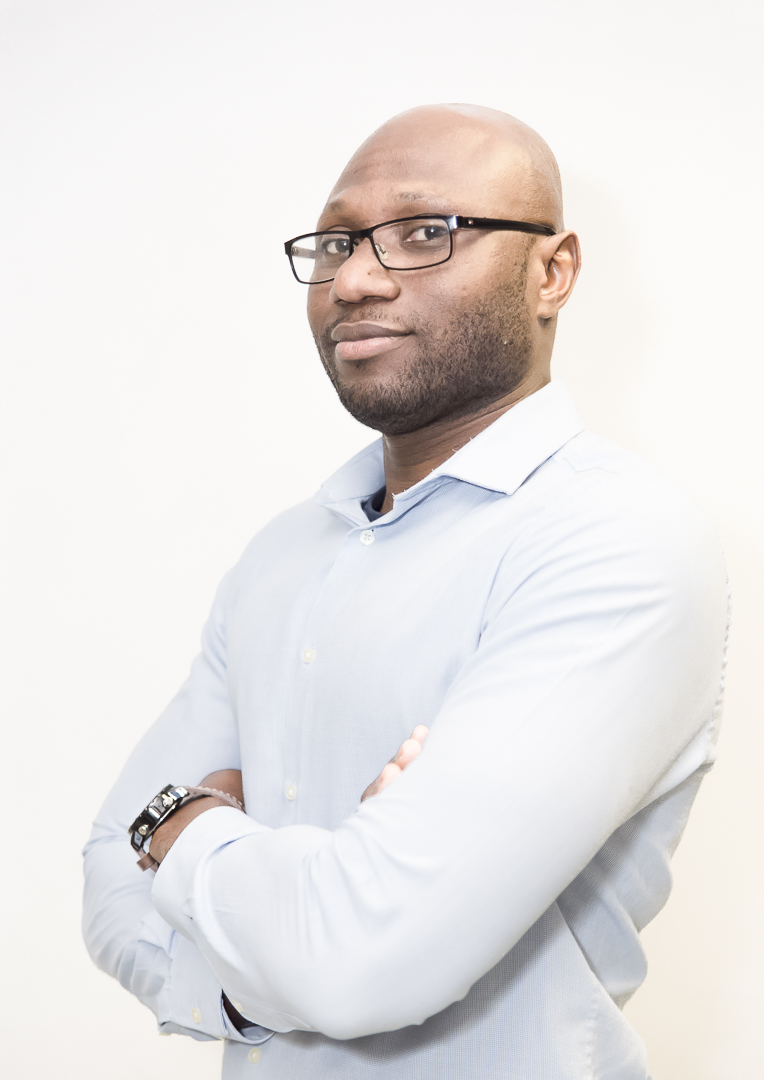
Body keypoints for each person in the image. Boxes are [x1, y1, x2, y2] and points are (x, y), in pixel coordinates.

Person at [83, 104, 729, 1079]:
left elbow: (358, 959)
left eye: (426, 232)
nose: (354, 279)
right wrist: (256, 980)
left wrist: (182, 826)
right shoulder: (283, 555)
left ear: (551, 272)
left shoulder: (613, 538)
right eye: (337, 242)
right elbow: (109, 877)